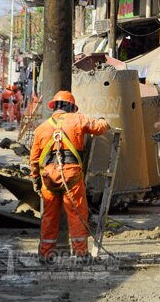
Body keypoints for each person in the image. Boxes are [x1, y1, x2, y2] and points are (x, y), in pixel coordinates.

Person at [28, 91, 110, 261]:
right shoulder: (77, 119)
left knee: (49, 217)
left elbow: (34, 160)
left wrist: (36, 179)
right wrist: (104, 121)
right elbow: (99, 128)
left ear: (54, 107)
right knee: (77, 214)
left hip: (49, 178)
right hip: (71, 175)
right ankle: (80, 254)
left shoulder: (41, 128)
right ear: (71, 107)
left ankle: (46, 254)